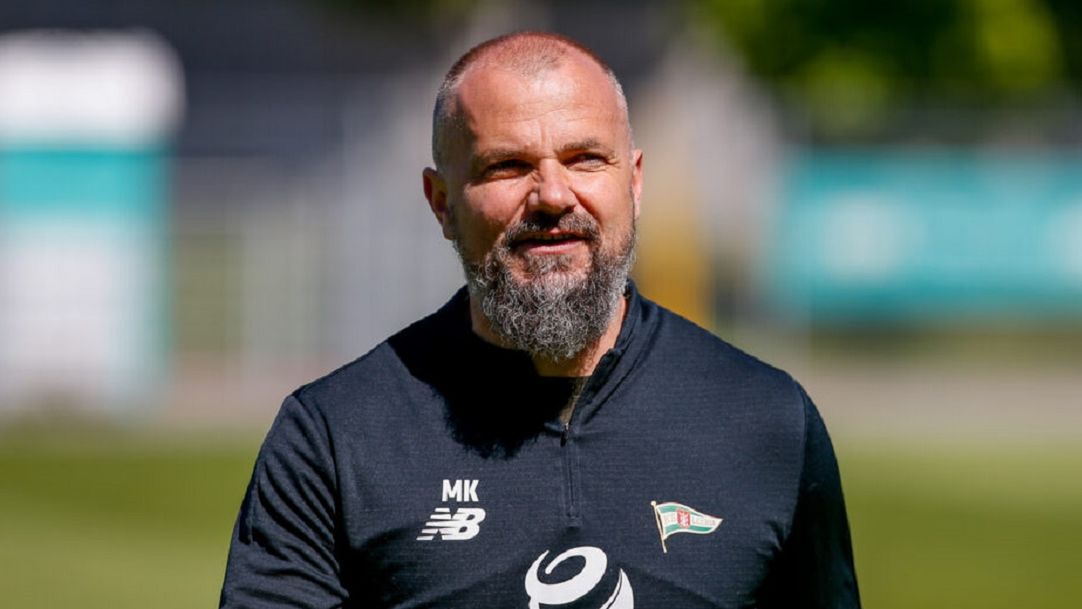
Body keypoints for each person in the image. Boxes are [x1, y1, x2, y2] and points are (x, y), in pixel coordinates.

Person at [219, 31, 860, 609]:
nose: (553, 195)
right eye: (508, 165)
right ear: (441, 202)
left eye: (585, 159)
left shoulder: (768, 422)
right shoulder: (335, 437)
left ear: (634, 183)